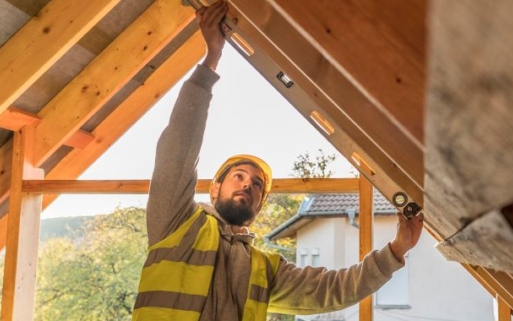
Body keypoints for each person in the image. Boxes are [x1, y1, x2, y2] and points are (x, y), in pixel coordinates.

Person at [132, 1, 424, 320]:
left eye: (257, 185)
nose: (248, 185)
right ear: (214, 189)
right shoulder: (177, 223)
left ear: (258, 208)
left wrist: (397, 249)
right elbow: (178, 148)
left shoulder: (264, 270)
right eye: (239, 176)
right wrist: (210, 61)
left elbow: (334, 289)